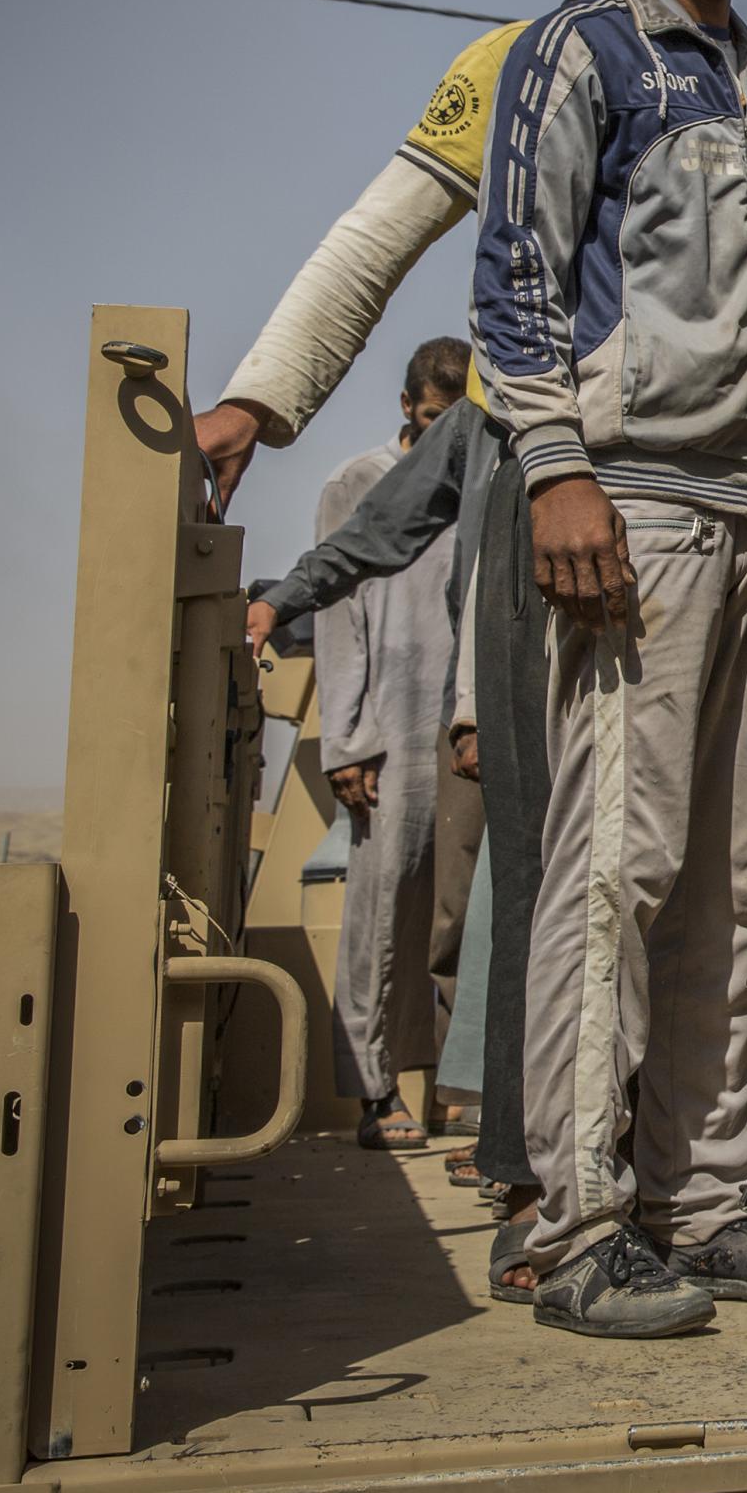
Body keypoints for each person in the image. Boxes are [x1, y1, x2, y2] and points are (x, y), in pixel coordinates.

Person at [211, 0, 645, 1240]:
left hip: (702, 507)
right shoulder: (519, 62)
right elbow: (381, 232)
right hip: (557, 483)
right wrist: (257, 400)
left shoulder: (739, 81)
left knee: (688, 863)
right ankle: (531, 1165)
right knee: (541, 845)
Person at [473, 0, 747, 1340]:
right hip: (637, 502)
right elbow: (513, 266)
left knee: (741, 874)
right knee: (616, 866)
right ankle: (576, 1224)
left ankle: (704, 1203)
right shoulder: (585, 50)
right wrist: (557, 465)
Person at [312, 337, 470, 1148]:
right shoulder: (358, 482)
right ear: (411, 407)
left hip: (460, 714)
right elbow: (338, 612)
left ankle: (453, 1085)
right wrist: (344, 738)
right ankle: (375, 1092)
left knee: (457, 907)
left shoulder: (475, 479)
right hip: (388, 721)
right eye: (437, 419)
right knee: (382, 906)